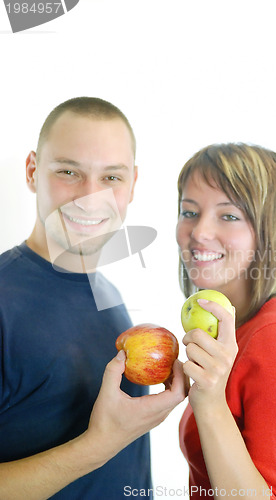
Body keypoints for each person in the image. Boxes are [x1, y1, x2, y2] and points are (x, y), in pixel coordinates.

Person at [0, 96, 185, 499]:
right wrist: (98, 446)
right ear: (32, 171)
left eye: (111, 178)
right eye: (69, 171)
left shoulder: (109, 295)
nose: (90, 196)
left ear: (132, 184)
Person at [176, 143, 276, 499]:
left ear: (267, 231)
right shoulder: (238, 331)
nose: (199, 232)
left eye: (228, 215)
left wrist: (211, 403)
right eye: (189, 212)